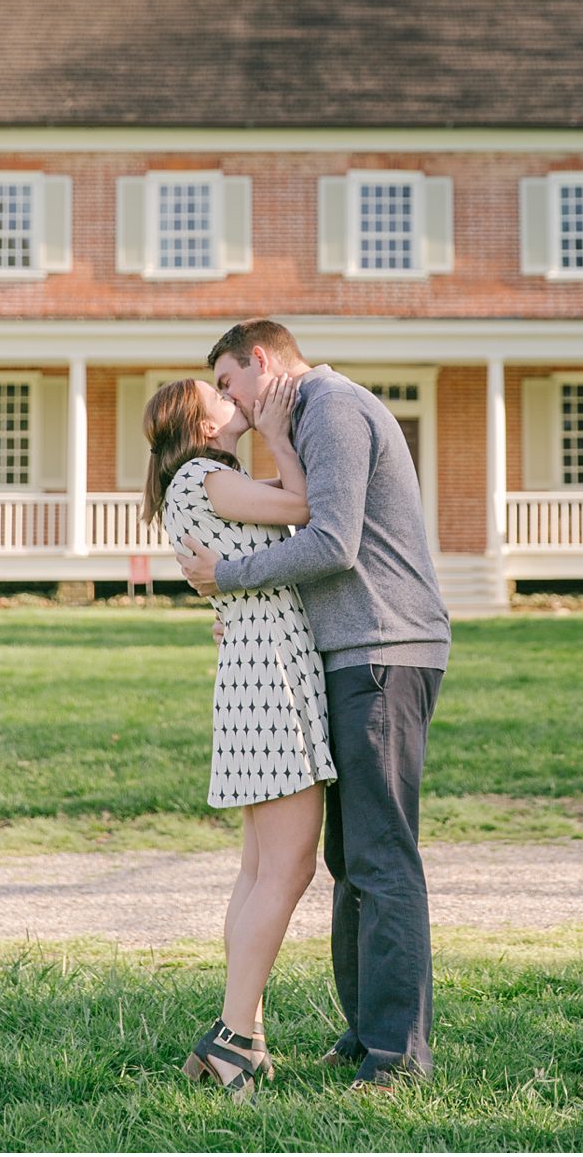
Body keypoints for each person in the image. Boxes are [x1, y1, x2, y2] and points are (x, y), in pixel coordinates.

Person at [173, 319, 452, 1090]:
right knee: (347, 858)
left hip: (385, 649)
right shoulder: (306, 421)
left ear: (259, 361)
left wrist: (227, 579)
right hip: (348, 652)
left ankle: (400, 1055)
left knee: (380, 856)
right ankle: (368, 1034)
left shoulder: (330, 407)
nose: (229, 405)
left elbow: (333, 541)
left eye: (229, 384)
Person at [143, 371, 333, 1102]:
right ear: (202, 423)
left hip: (255, 666)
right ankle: (234, 1036)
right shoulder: (207, 476)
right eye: (218, 393)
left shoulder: (199, 480)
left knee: (259, 870)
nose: (234, 398)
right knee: (288, 869)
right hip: (268, 676)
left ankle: (237, 1030)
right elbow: (311, 504)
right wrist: (282, 434)